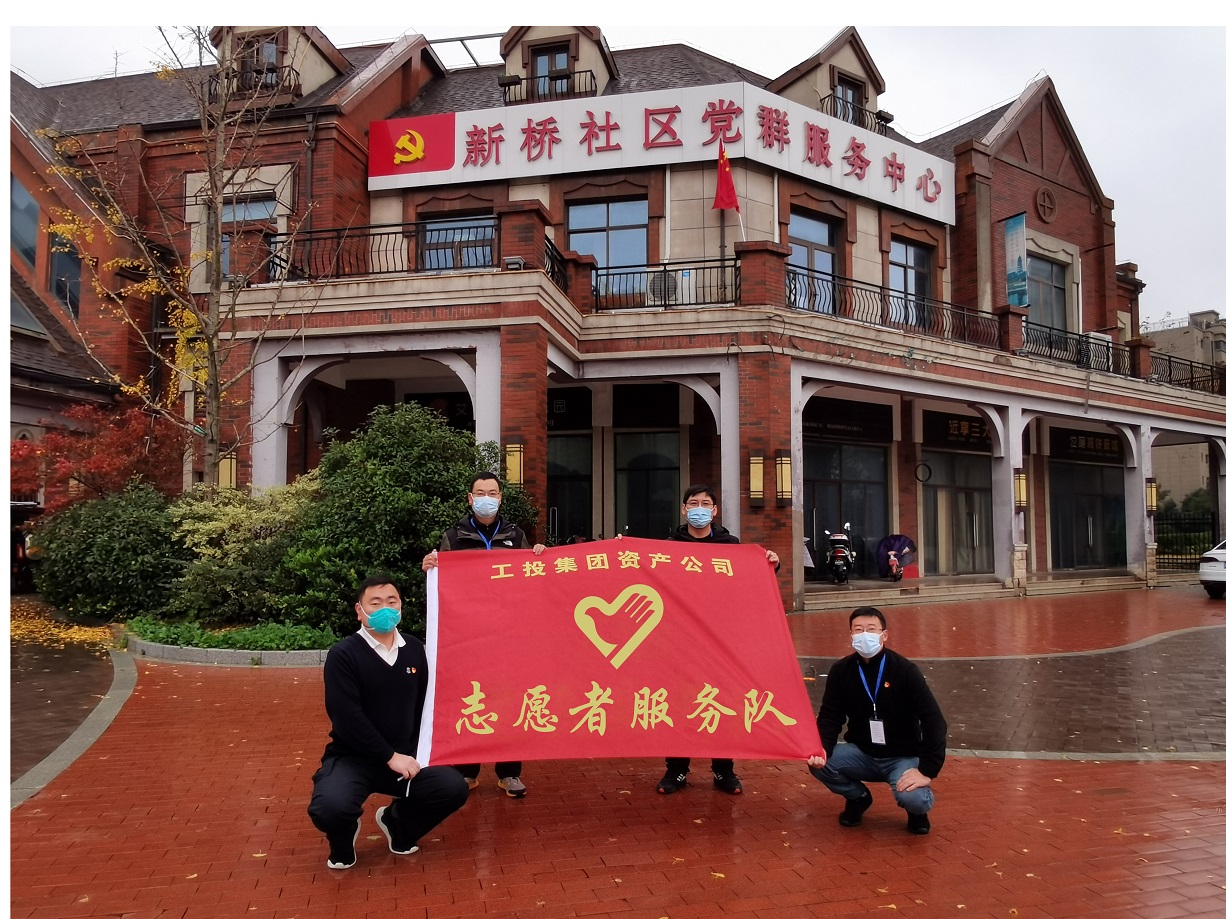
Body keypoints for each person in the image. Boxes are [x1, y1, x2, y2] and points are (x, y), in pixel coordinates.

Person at [308, 574, 469, 870]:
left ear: (401, 607)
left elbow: (429, 703)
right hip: (354, 757)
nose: (385, 609)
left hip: (406, 758)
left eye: (392, 601)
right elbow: (346, 718)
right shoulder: (344, 654)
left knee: (452, 788)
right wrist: (389, 755)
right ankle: (343, 840)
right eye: (376, 602)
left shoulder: (415, 649)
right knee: (330, 807)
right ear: (359, 610)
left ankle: (398, 825)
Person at [422, 471, 545, 797]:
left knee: (510, 699)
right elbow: (442, 583)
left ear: (500, 498)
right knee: (470, 698)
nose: (486, 498)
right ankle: (466, 772)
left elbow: (533, 579)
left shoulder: (515, 535)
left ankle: (509, 773)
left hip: (508, 635)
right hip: (469, 636)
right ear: (470, 498)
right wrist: (432, 567)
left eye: (492, 493)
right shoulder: (454, 537)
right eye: (480, 493)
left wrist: (539, 557)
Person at [656, 484, 780, 796]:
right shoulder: (668, 547)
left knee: (721, 702)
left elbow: (748, 582)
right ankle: (676, 769)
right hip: (680, 641)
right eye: (693, 503)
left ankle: (724, 770)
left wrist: (770, 565)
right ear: (684, 509)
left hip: (720, 640)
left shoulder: (731, 546)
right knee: (680, 703)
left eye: (705, 504)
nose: (698, 509)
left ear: (714, 511)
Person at [806, 606, 947, 835]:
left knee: (915, 798)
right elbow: (831, 716)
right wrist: (822, 747)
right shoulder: (841, 670)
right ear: (851, 635)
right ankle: (858, 797)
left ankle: (917, 812)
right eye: (858, 629)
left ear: (884, 635)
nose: (864, 635)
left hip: (902, 756)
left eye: (871, 629)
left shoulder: (905, 670)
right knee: (820, 763)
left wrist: (926, 770)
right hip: (862, 753)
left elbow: (934, 721)